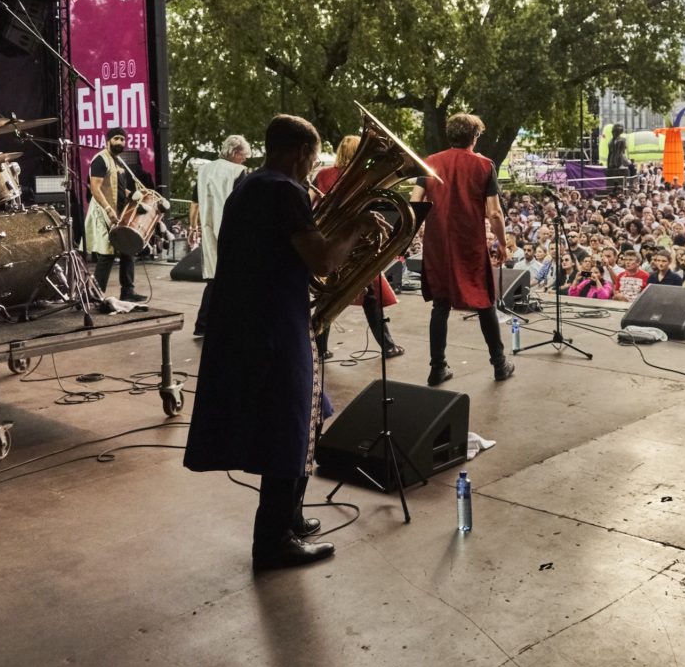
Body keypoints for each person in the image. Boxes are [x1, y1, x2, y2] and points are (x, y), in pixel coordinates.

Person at [184, 114, 381, 570]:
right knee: (286, 425)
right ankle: (273, 542)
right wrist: (356, 228)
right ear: (300, 154)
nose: (312, 168)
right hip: (273, 326)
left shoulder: (251, 185)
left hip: (259, 321)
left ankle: (288, 516)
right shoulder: (283, 190)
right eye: (313, 159)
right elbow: (324, 262)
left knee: (309, 415)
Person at [411, 114, 515, 386]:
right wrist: (502, 244)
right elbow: (494, 213)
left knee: (440, 304)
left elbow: (415, 201)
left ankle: (437, 368)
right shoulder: (484, 165)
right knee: (483, 301)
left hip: (437, 242)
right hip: (468, 240)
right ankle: (500, 364)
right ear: (475, 137)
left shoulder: (430, 162)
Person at [312, 135, 402, 360]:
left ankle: (319, 349)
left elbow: (311, 201)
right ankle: (388, 346)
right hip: (355, 242)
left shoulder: (322, 175)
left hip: (330, 241)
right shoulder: (365, 177)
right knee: (371, 296)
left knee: (328, 294)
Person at [189, 135, 251, 337]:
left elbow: (195, 203)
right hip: (231, 227)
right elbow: (242, 204)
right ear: (235, 153)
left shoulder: (204, 170)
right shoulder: (238, 172)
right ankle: (231, 323)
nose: (244, 159)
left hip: (207, 226)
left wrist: (192, 227)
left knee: (213, 276)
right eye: (243, 155)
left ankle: (203, 323)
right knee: (235, 275)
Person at [85, 127, 147, 302]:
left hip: (119, 211)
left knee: (128, 249)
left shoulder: (118, 162)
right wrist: (108, 209)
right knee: (107, 254)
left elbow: (117, 187)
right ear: (108, 140)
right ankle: (95, 296)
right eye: (117, 139)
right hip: (103, 211)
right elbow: (94, 188)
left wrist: (130, 194)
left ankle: (128, 292)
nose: (120, 142)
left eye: (122, 139)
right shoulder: (100, 159)